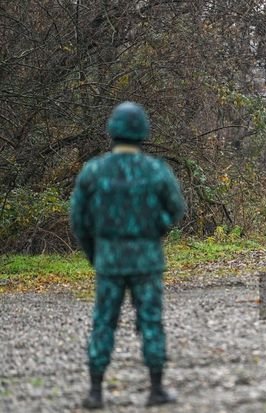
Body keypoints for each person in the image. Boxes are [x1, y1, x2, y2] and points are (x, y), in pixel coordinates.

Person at [70, 102, 185, 409]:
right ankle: (156, 388)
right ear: (142, 132)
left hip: (109, 258)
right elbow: (175, 209)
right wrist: (155, 229)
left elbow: (78, 219)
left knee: (104, 321)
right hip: (146, 258)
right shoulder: (155, 170)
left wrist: (95, 252)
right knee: (150, 320)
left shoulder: (94, 171)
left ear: (112, 131)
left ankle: (95, 391)